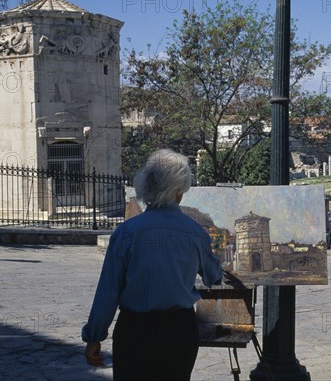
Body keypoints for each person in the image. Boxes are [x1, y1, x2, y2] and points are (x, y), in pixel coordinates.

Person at [82, 149, 224, 381]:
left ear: (147, 187)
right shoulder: (196, 233)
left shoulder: (126, 232)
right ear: (179, 192)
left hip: (135, 330)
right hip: (179, 331)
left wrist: (94, 337)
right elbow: (213, 276)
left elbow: (108, 292)